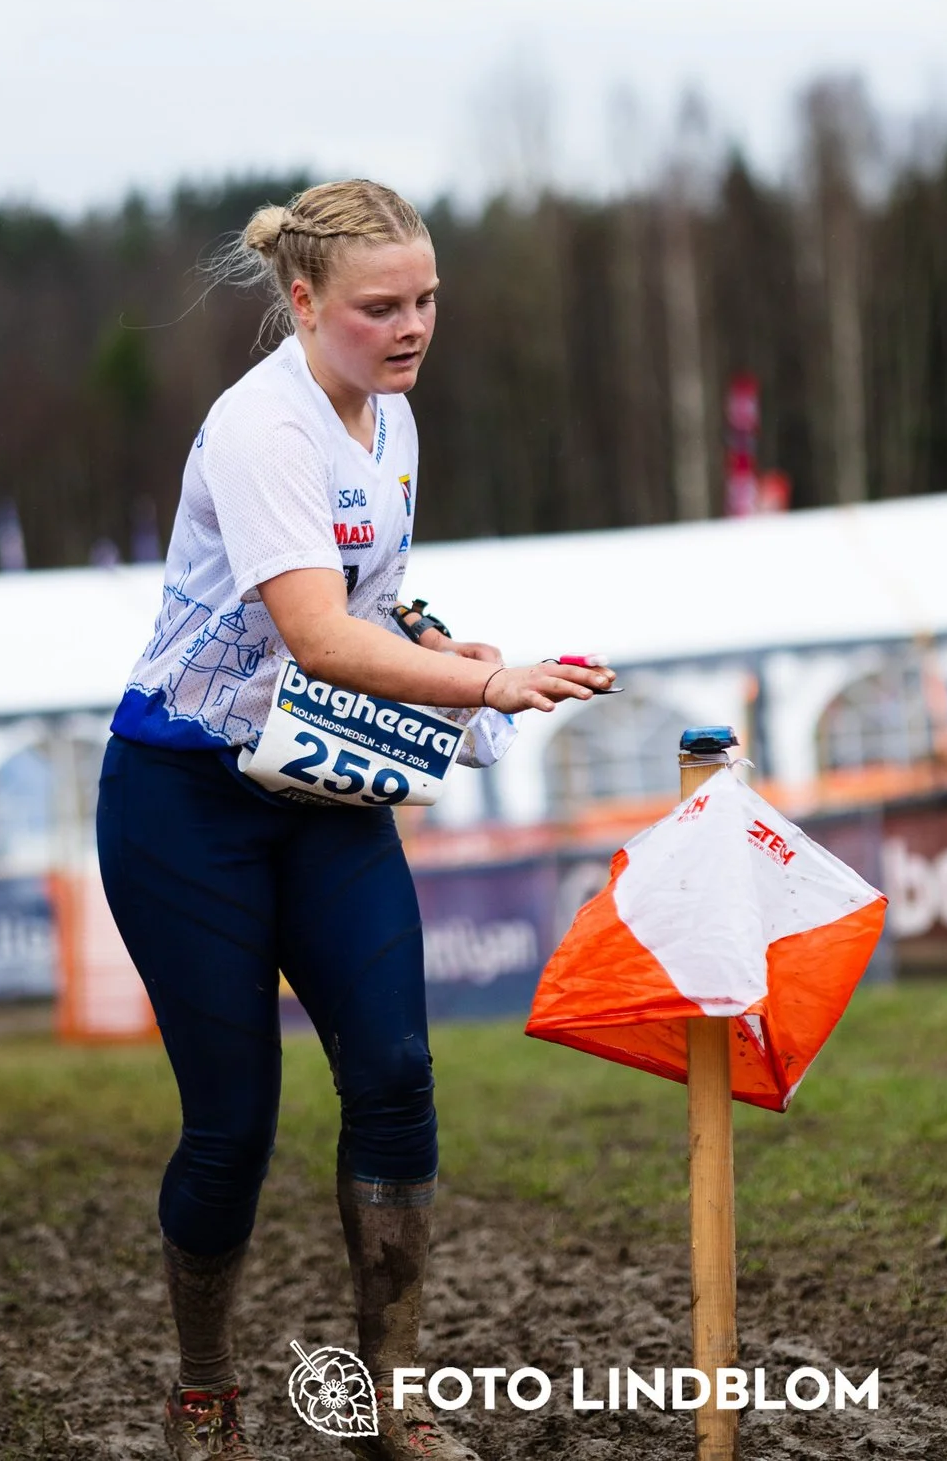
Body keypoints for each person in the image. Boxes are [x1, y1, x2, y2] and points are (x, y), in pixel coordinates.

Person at [98, 179, 612, 1460]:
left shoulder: (390, 417)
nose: (412, 325)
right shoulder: (257, 426)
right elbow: (316, 632)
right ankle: (205, 1390)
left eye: (428, 298)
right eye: (381, 305)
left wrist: (435, 638)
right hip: (184, 804)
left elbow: (368, 602)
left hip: (319, 796)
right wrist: (484, 683)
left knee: (393, 1073)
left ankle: (390, 1401)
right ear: (304, 301)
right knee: (234, 1119)